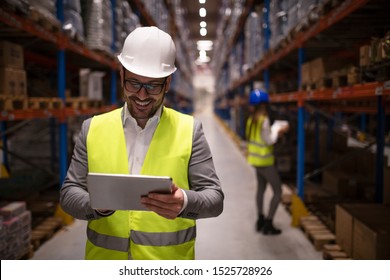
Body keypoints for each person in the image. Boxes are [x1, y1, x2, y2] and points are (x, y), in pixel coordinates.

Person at [60, 26, 224, 260]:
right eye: (134, 83)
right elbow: (69, 193)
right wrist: (96, 205)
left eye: (153, 85)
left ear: (168, 83)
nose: (142, 95)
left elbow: (214, 199)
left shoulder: (189, 130)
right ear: (122, 76)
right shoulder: (92, 128)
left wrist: (184, 202)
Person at [245, 89, 288, 235]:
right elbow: (269, 140)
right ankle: (269, 223)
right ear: (263, 105)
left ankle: (260, 220)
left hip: (256, 161)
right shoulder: (264, 120)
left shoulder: (251, 120)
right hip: (266, 161)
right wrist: (278, 132)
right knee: (278, 191)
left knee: (261, 189)